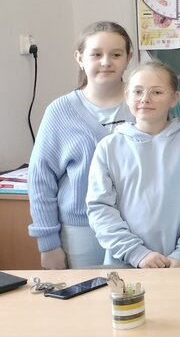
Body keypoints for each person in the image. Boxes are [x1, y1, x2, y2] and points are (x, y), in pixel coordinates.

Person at [28, 21, 134, 269]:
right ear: (79, 58)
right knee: (88, 292)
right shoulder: (60, 111)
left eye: (116, 54)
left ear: (128, 58)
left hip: (138, 226)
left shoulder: (146, 103)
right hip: (81, 231)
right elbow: (41, 178)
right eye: (96, 54)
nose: (106, 62)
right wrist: (48, 244)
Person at [86, 61, 180, 268]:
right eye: (137, 92)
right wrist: (137, 253)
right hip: (125, 264)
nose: (145, 99)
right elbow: (99, 208)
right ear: (126, 96)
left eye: (157, 92)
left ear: (174, 98)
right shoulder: (109, 147)